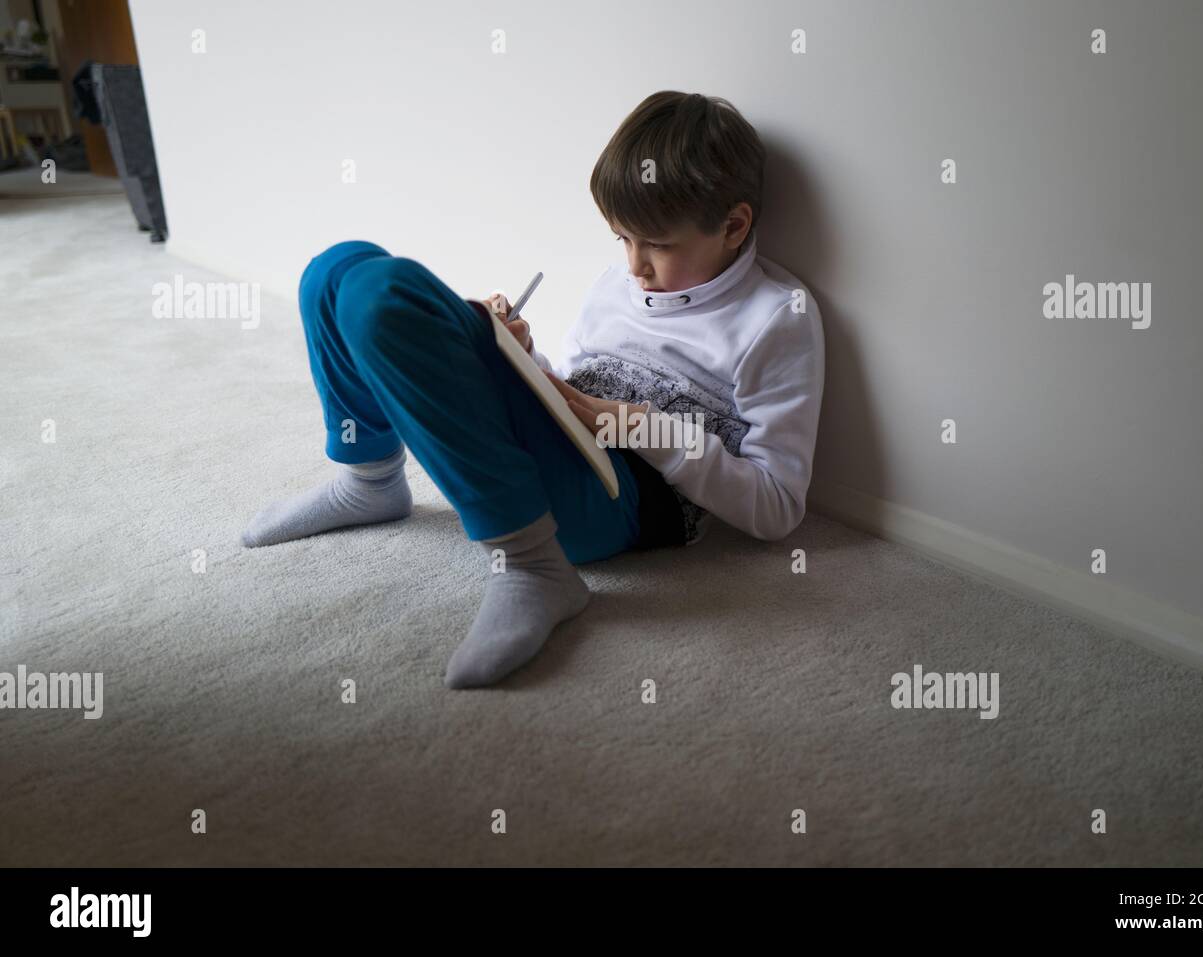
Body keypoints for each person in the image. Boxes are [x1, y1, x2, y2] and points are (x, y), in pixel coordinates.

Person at [240, 91, 825, 688]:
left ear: (734, 226)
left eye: (657, 244)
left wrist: (638, 425)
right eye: (622, 239)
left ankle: (533, 565)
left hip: (628, 500)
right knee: (337, 268)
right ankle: (371, 480)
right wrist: (521, 353)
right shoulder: (615, 286)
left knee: (388, 296)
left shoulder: (778, 317)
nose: (634, 267)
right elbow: (568, 388)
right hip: (570, 450)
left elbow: (778, 506)